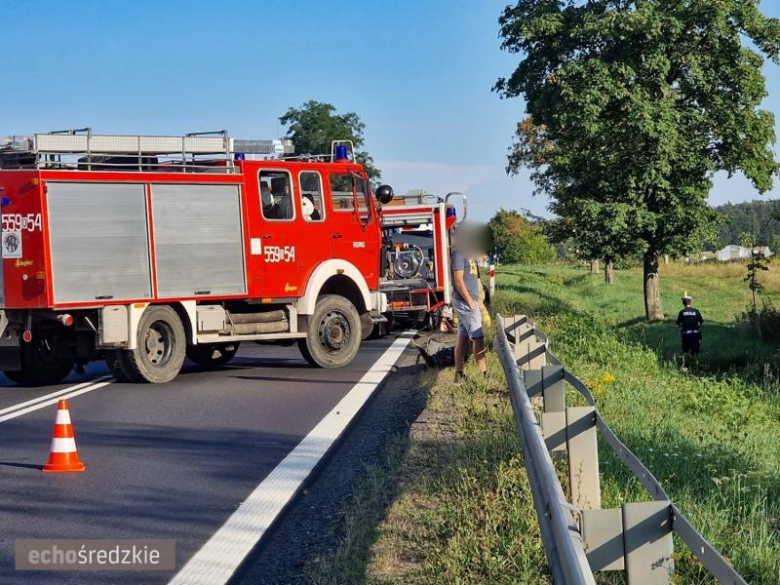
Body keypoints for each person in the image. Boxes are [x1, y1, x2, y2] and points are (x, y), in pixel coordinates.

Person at [451, 226, 487, 380]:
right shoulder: (459, 253)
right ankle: (483, 375)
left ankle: (459, 374)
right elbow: (458, 280)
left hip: (468, 301)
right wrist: (470, 302)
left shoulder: (469, 253)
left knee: (463, 338)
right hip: (466, 302)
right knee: (478, 338)